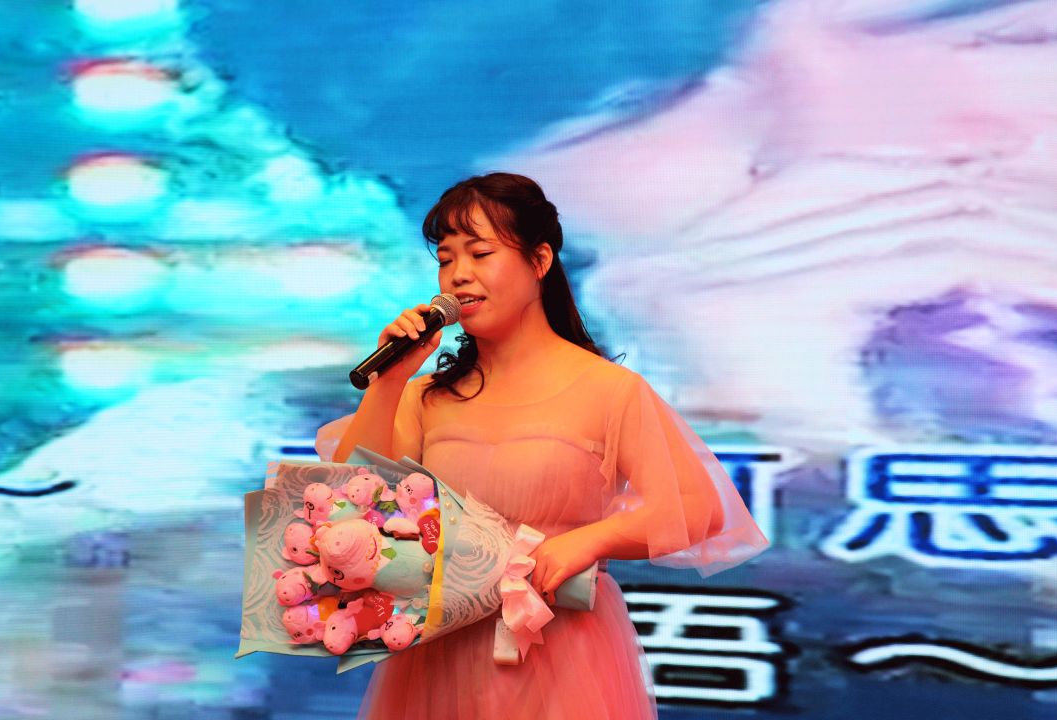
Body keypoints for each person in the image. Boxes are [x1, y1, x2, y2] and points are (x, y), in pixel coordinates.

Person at [314, 172, 769, 719]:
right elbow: (350, 507)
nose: (458, 275)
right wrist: (389, 381)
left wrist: (591, 541)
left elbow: (697, 507)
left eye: (480, 253)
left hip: (560, 650)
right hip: (439, 658)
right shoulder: (425, 396)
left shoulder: (608, 390)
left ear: (540, 260)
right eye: (446, 259)